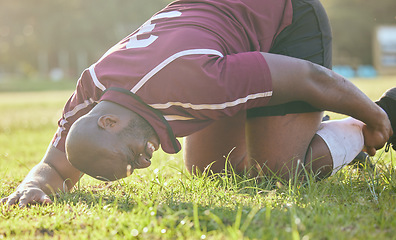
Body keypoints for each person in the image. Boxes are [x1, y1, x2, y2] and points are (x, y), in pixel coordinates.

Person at [1, 0, 394, 207]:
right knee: (212, 171)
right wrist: (36, 185)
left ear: (109, 123)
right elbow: (55, 165)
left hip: (288, 19)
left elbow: (311, 77)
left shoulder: (194, 80)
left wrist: (374, 118)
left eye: (129, 157)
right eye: (134, 166)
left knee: (276, 170)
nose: (144, 164)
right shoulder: (91, 91)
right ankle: (313, 130)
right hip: (229, 34)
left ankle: (389, 112)